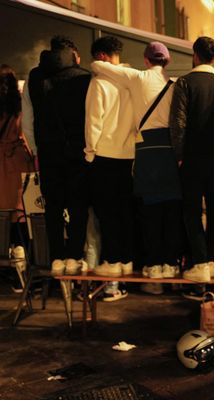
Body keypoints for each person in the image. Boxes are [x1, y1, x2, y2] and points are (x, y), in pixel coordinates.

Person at [92, 41, 182, 282]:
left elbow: (101, 67)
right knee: (171, 210)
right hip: (171, 149)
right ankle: (170, 262)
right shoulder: (175, 85)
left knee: (150, 210)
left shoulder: (138, 77)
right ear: (167, 61)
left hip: (147, 148)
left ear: (146, 60)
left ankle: (153, 263)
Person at [25, 36, 91, 275]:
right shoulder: (84, 77)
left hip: (48, 151)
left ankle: (56, 258)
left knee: (52, 206)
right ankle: (74, 256)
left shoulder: (35, 77)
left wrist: (35, 149)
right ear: (73, 53)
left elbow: (28, 119)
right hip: (77, 151)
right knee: (78, 206)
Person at [169, 36, 214, 282]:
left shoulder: (184, 82)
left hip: (192, 158)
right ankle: (210, 260)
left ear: (195, 55)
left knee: (192, 210)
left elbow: (178, 122)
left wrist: (179, 154)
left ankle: (199, 261)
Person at [84, 36, 135, 300]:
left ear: (101, 56)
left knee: (107, 213)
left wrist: (90, 153)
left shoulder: (99, 83)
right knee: (125, 210)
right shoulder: (132, 81)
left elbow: (94, 121)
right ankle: (126, 261)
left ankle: (113, 262)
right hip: (128, 155)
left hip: (103, 154)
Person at [0, 65, 35, 288]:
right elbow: (27, 134)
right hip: (17, 162)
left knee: (2, 213)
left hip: (0, 164)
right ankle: (21, 274)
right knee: (20, 214)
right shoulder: (19, 107)